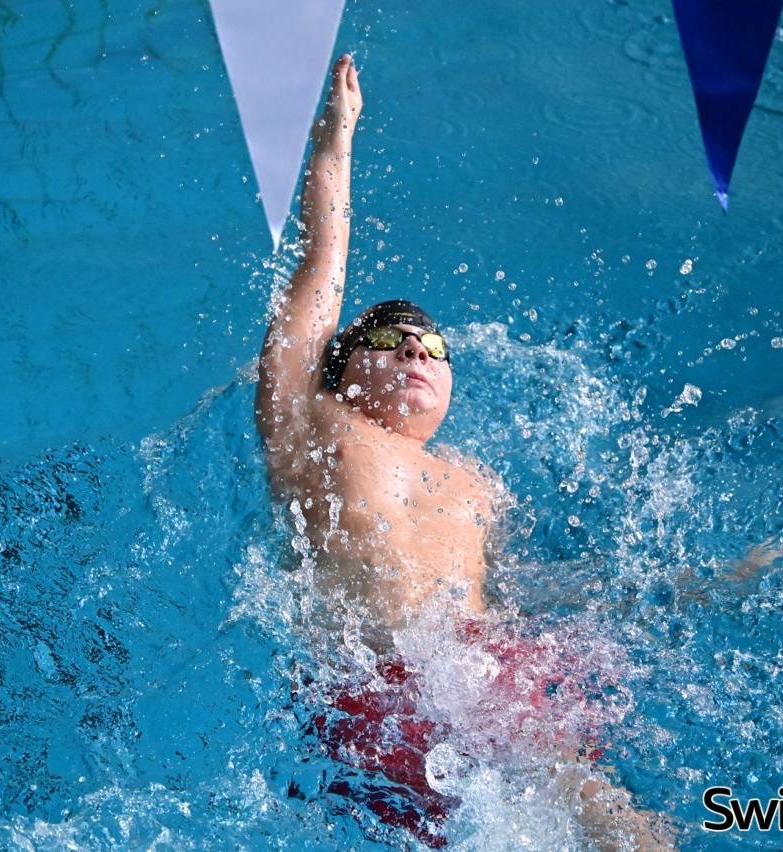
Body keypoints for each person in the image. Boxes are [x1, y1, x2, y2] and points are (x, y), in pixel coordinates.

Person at [256, 55, 675, 849]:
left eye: (433, 346)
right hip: (377, 677)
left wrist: (667, 592)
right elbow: (320, 266)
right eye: (388, 339)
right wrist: (336, 141)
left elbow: (516, 592)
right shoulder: (310, 421)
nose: (416, 350)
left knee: (605, 812)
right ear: (339, 369)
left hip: (490, 663)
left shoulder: (475, 481)